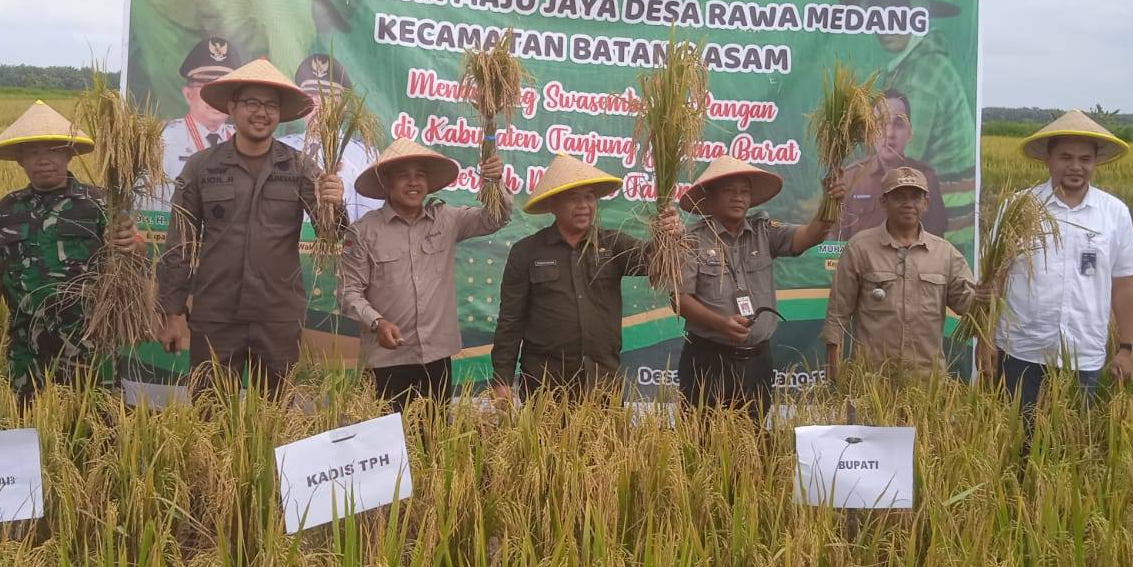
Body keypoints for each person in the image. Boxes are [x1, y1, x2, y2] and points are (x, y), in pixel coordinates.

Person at [157, 58, 344, 393]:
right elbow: (179, 243)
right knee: (211, 418)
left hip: (277, 316)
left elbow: (332, 234)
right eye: (252, 103)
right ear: (232, 106)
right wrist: (172, 312)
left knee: (273, 418)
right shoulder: (202, 166)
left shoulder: (300, 167)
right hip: (216, 314)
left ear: (280, 113)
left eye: (271, 105)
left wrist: (335, 204)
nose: (262, 113)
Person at [0, 100, 145, 402]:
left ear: (69, 154)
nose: (43, 159)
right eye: (33, 152)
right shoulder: (2, 210)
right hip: (27, 343)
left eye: (53, 150)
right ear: (20, 161)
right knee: (28, 426)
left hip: (91, 340)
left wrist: (133, 244)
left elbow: (134, 256)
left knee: (98, 425)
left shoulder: (102, 203)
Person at [991, 109, 1133, 427]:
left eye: (1085, 159)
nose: (1076, 167)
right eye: (1066, 157)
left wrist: (1128, 347)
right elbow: (996, 279)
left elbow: (1125, 285)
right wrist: (985, 341)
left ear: (1095, 162)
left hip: (1083, 352)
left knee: (1070, 447)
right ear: (1048, 159)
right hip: (1021, 350)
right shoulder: (1018, 207)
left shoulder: (1114, 214)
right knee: (1013, 439)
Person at [338, 138, 511, 406]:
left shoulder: (447, 219)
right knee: (389, 440)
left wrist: (494, 182)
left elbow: (495, 218)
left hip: (436, 357)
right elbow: (349, 293)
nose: (413, 182)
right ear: (386, 183)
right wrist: (377, 322)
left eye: (420, 175)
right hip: (386, 360)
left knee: (434, 438)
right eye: (403, 176)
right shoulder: (363, 232)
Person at [490, 154, 678, 399]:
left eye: (589, 197)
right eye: (573, 198)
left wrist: (670, 236)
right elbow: (510, 321)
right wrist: (502, 379)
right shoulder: (526, 252)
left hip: (603, 383)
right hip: (545, 384)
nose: (583, 205)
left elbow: (656, 263)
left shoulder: (613, 244)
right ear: (553, 205)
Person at [674, 155, 844, 414]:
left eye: (744, 192)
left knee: (751, 440)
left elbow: (809, 236)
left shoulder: (765, 231)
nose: (738, 197)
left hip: (757, 362)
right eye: (729, 191)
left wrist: (830, 202)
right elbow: (679, 299)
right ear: (709, 198)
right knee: (701, 440)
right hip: (707, 361)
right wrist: (721, 324)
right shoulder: (691, 241)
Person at [822, 166, 979, 379]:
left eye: (915, 197)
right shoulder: (860, 248)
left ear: (926, 203)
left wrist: (986, 297)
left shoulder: (945, 254)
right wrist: (834, 372)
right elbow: (837, 314)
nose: (908, 204)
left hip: (927, 384)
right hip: (873, 382)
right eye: (899, 197)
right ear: (883, 203)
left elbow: (969, 308)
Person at [846, 0, 976, 242]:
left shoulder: (922, 77)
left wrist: (842, 195)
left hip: (944, 224)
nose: (886, 26)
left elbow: (897, 161)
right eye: (878, 16)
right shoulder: (916, 64)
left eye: (897, 14)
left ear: (918, 16)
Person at [278, 52, 383, 223]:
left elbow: (371, 218)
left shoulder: (366, 156)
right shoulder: (280, 149)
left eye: (329, 95)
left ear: (345, 104)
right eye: (311, 93)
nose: (319, 102)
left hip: (346, 246)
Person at [145, 35, 242, 211]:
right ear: (188, 94)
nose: (215, 97)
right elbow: (146, 208)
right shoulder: (162, 140)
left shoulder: (243, 140)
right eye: (207, 88)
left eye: (223, 89)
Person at [834, 90, 945, 240]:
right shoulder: (851, 178)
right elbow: (836, 242)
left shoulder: (926, 178)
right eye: (881, 124)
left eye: (898, 124)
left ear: (909, 132)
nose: (889, 133)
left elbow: (936, 242)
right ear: (870, 131)